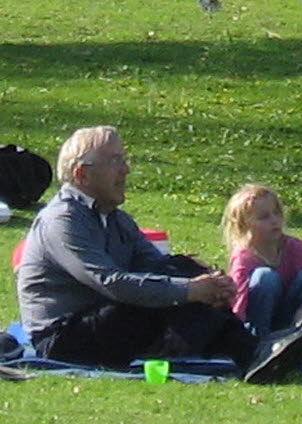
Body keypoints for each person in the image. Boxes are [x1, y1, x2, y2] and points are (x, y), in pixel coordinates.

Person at [17, 126, 261, 370]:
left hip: (106, 317)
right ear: (82, 175)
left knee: (179, 270)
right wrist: (191, 290)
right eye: (115, 161)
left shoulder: (118, 220)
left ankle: (246, 348)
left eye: (124, 159)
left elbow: (159, 268)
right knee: (150, 302)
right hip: (63, 337)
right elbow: (111, 283)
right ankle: (248, 353)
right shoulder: (62, 220)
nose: (126, 169)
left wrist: (208, 284)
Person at [223, 183, 302, 340]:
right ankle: (259, 342)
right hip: (257, 323)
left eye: (277, 213)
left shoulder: (295, 248)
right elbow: (238, 303)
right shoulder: (244, 258)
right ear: (244, 225)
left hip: (293, 319)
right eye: (264, 217)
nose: (274, 221)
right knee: (265, 277)